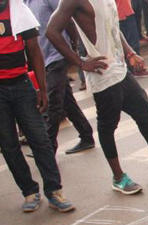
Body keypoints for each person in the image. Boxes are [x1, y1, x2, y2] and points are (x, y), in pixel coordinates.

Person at [47, 0, 148, 194]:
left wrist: (130, 52)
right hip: (102, 72)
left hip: (119, 67)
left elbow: (113, 26)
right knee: (108, 125)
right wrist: (80, 63)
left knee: (143, 110)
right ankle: (118, 177)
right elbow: (52, 31)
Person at [0, 0, 75, 213]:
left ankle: (54, 191)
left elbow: (34, 51)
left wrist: (41, 88)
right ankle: (29, 191)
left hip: (21, 85)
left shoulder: (21, 11)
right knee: (9, 144)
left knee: (40, 140)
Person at [26, 0, 97, 155]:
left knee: (52, 103)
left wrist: (72, 47)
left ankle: (47, 147)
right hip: (43, 58)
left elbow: (69, 20)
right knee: (66, 101)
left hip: (56, 56)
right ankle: (86, 136)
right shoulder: (24, 3)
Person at [117, 0, 148, 77]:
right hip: (123, 13)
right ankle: (137, 69)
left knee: (131, 43)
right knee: (133, 43)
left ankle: (133, 69)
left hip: (124, 12)